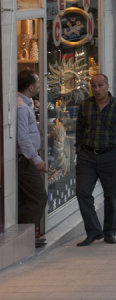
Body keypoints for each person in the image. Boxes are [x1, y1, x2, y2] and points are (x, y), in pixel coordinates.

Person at [75, 74, 116, 246]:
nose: (97, 89)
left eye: (100, 85)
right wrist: (79, 150)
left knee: (110, 196)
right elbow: (79, 130)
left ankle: (109, 232)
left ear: (107, 86)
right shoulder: (85, 105)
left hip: (111, 156)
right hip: (88, 156)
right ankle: (93, 231)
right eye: (93, 85)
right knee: (82, 192)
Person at [17, 70, 47, 249]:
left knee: (27, 199)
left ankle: (27, 235)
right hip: (26, 160)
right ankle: (27, 237)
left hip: (27, 158)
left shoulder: (25, 103)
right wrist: (36, 160)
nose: (38, 86)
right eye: (37, 83)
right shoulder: (21, 107)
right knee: (38, 197)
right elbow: (23, 138)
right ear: (30, 87)